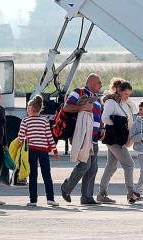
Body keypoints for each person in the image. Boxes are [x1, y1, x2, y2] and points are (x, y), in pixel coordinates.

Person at [60, 74, 104, 206]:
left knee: (93, 167)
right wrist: (81, 108)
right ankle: (66, 188)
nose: (101, 85)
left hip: (94, 138)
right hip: (83, 136)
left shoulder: (97, 98)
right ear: (91, 82)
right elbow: (66, 107)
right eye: (99, 83)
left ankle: (87, 197)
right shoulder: (78, 92)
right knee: (85, 164)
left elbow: (98, 115)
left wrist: (102, 128)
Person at [97, 79, 140, 204]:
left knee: (111, 166)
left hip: (119, 138)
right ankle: (131, 193)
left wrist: (126, 99)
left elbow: (135, 110)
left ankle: (101, 194)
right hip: (113, 137)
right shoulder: (111, 102)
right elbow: (104, 118)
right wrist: (118, 124)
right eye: (126, 93)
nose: (128, 96)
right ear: (118, 90)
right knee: (129, 164)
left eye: (129, 94)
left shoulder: (122, 102)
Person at [18, 95, 59, 207]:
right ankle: (50, 199)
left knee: (33, 175)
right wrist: (54, 150)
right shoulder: (45, 120)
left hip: (31, 151)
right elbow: (49, 136)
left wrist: (18, 145)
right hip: (43, 151)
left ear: (30, 108)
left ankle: (33, 200)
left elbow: (21, 136)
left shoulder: (25, 121)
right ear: (40, 109)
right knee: (47, 175)